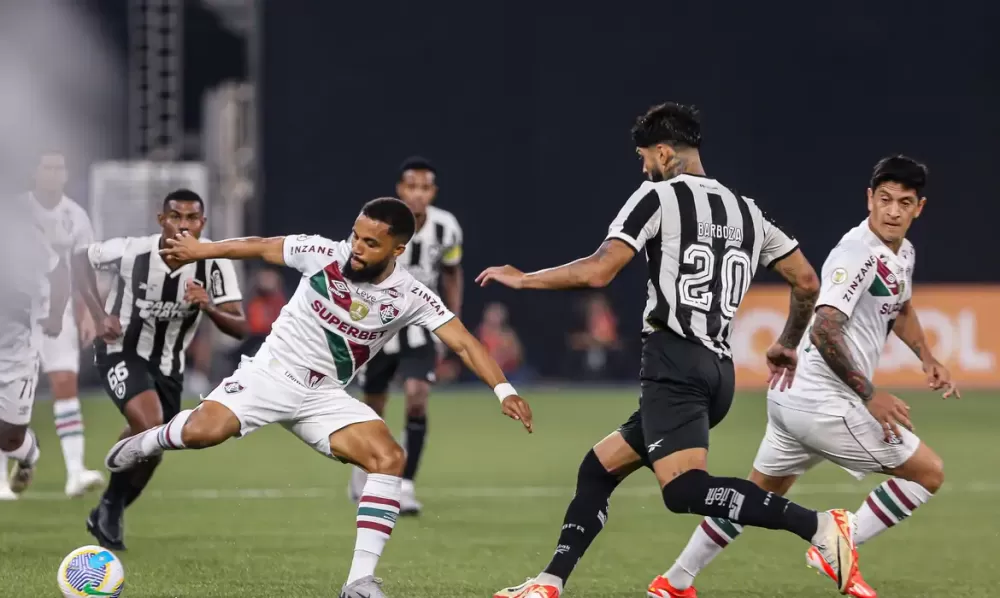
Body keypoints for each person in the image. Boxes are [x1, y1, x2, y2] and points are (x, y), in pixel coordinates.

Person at [479, 102, 863, 598]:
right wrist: (787, 343)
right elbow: (807, 281)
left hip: (673, 362)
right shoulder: (748, 210)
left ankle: (819, 526)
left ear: (664, 152)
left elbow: (600, 269)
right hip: (718, 372)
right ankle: (549, 583)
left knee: (683, 490)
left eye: (644, 157)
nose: (643, 168)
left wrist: (526, 280)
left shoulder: (657, 197)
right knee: (599, 467)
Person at [102, 197, 533, 598]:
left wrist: (504, 390)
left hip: (325, 396)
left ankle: (359, 581)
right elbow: (260, 247)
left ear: (396, 250)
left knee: (389, 459)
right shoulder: (323, 253)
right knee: (202, 434)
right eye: (355, 235)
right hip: (270, 375)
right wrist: (203, 250)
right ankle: (147, 441)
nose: (356, 248)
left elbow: (464, 343)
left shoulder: (410, 295)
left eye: (370, 243)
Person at [651, 155, 951, 598]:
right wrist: (869, 395)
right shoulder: (858, 253)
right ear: (869, 199)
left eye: (904, 203)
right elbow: (825, 326)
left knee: (753, 498)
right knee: (928, 473)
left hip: (791, 399)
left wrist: (928, 355)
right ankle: (836, 542)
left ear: (918, 208)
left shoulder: (901, 252)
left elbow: (900, 306)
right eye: (884, 199)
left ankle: (674, 581)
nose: (892, 211)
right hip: (823, 402)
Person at [73, 189, 247, 550]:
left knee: (154, 448)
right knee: (149, 423)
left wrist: (209, 306)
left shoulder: (214, 262)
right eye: (175, 217)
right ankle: (110, 506)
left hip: (169, 366)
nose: (182, 225)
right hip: (119, 351)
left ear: (202, 223)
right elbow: (78, 259)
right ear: (161, 219)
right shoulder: (132, 251)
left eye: (191, 219)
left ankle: (109, 506)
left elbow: (239, 326)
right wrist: (97, 313)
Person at [349, 157, 464, 515]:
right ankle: (364, 468)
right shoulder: (379, 222)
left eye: (424, 187)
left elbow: (452, 273)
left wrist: (451, 321)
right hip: (377, 327)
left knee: (417, 397)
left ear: (433, 192)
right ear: (400, 189)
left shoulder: (447, 228)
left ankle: (406, 485)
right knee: (373, 406)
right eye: (411, 186)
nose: (417, 193)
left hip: (419, 327)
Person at [19, 151, 105, 497]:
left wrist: (87, 314)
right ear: (35, 172)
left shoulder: (76, 217)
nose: (54, 174)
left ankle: (75, 473)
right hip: (15, 314)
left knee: (65, 384)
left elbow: (84, 270)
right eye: (47, 167)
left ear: (66, 174)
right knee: (7, 395)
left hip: (63, 312)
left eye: (59, 167)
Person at [0, 194, 71, 500]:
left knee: (9, 436)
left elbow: (60, 273)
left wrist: (56, 314)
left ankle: (30, 453)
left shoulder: (25, 238)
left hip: (17, 352)